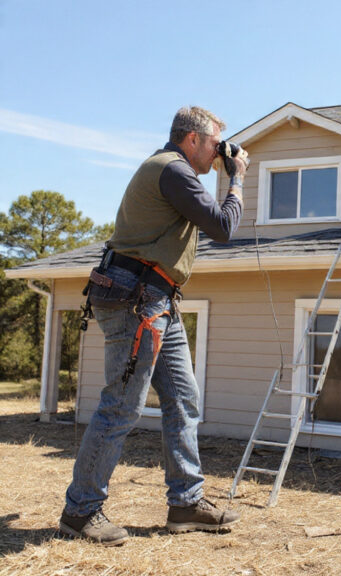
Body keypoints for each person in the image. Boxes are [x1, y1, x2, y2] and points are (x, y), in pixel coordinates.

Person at [59, 106, 247, 546]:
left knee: (183, 397)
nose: (219, 151)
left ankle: (186, 502)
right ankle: (80, 510)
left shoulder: (178, 173)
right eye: (215, 143)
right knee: (122, 405)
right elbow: (223, 226)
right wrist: (236, 176)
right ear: (192, 140)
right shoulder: (173, 170)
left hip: (157, 298)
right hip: (137, 299)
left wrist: (223, 166)